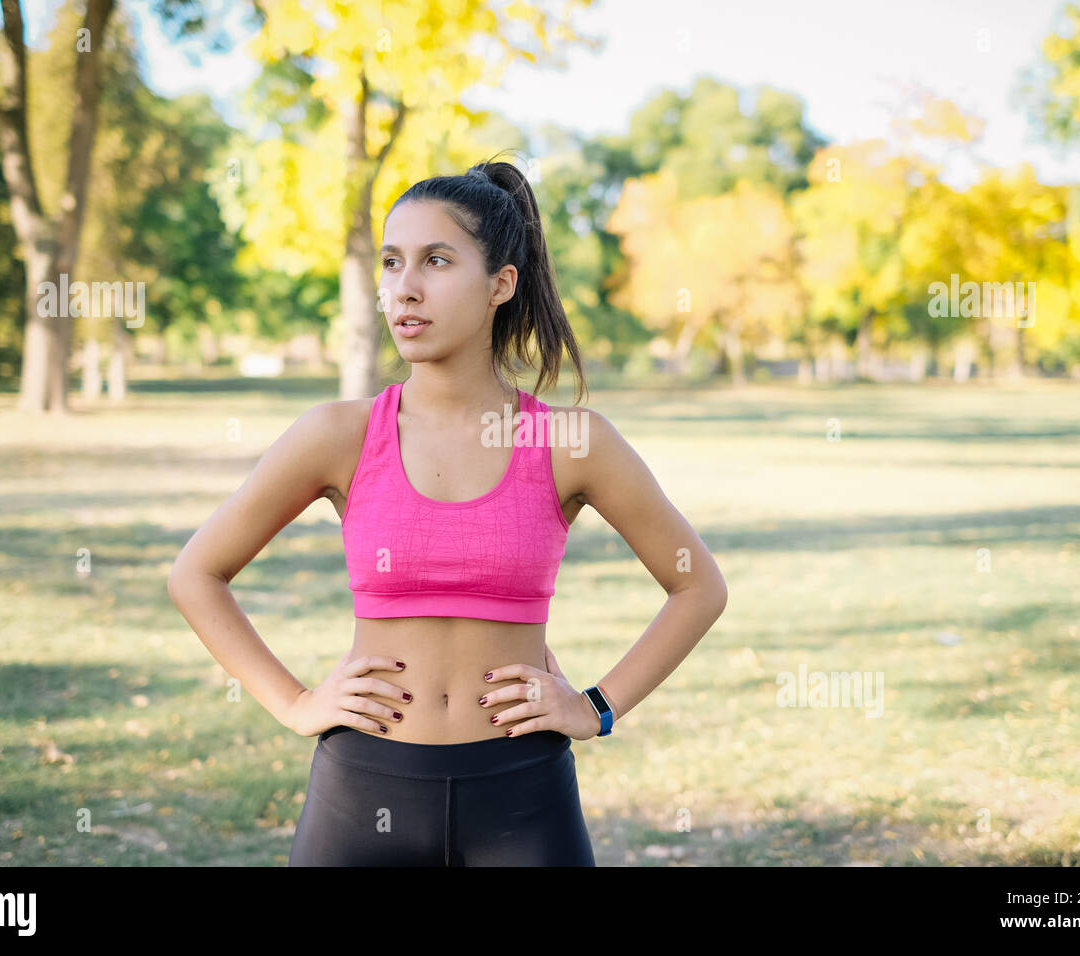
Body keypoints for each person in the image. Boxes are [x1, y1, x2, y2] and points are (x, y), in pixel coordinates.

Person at [167, 153, 728, 866]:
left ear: (501, 283)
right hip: (361, 790)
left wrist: (597, 705)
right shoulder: (338, 436)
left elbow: (697, 586)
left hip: (522, 798)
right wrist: (296, 702)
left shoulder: (568, 441)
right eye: (393, 263)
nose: (405, 288)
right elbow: (196, 574)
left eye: (436, 261)